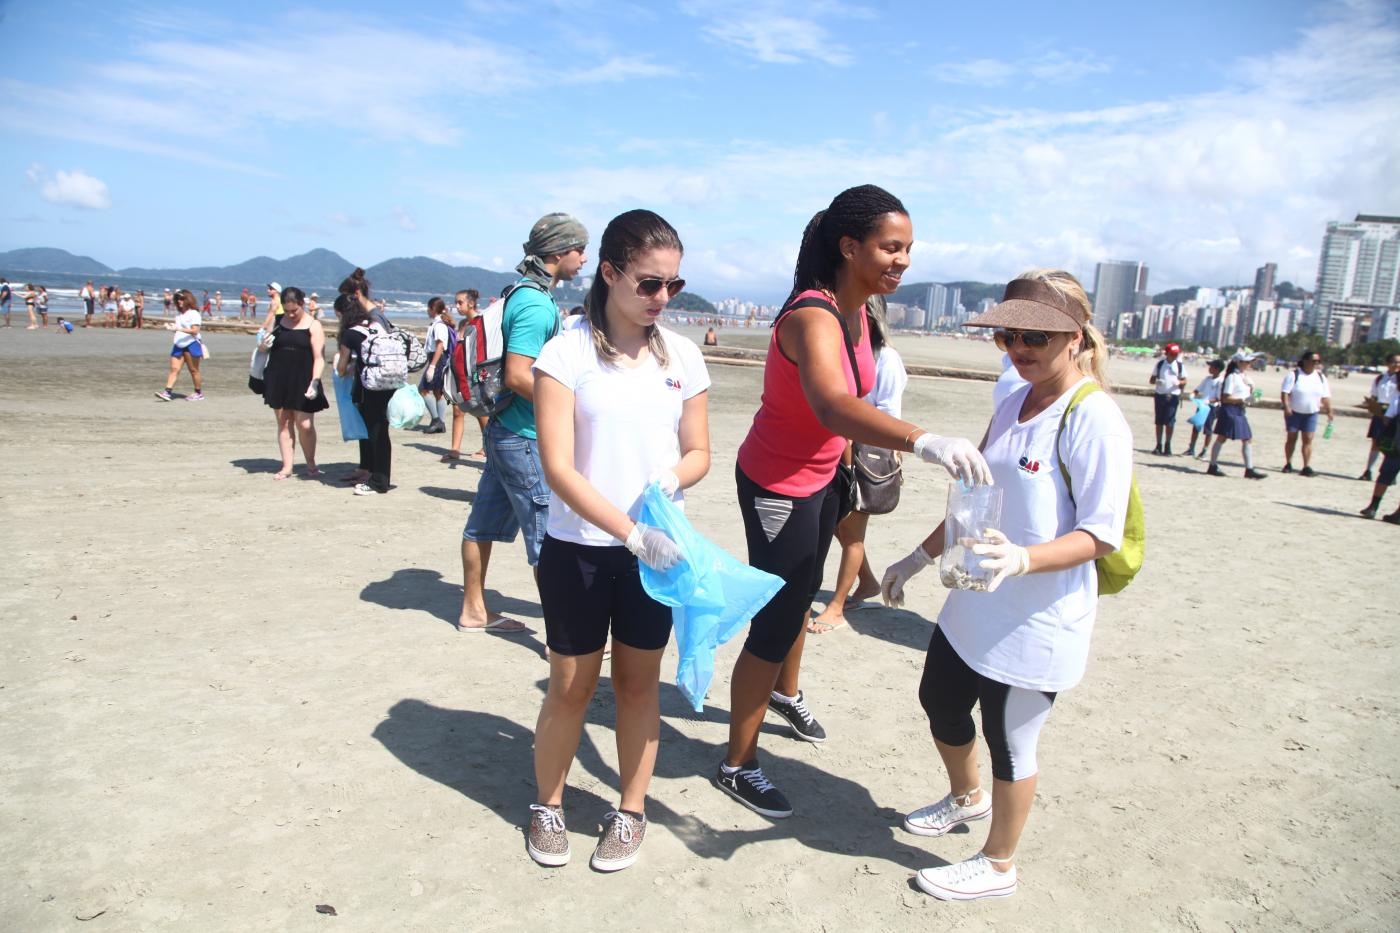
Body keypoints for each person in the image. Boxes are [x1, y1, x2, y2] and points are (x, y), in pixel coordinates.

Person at [716, 185, 990, 819]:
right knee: (778, 617)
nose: (903, 261)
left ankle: (784, 695)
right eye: (890, 247)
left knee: (805, 588)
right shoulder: (812, 315)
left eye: (908, 249)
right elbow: (833, 404)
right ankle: (736, 763)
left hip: (824, 476)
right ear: (850, 247)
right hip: (777, 483)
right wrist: (923, 440)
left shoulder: (861, 314)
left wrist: (845, 470)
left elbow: (845, 413)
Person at [879, 268, 1132, 902]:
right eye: (1008, 335)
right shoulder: (1012, 398)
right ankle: (967, 799)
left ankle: (998, 865)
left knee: (1011, 741)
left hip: (1037, 615)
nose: (1018, 349)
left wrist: (1021, 559)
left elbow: (1103, 534)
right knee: (939, 699)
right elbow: (975, 495)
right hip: (973, 600)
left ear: (1075, 338)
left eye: (1035, 338)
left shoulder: (1095, 418)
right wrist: (915, 556)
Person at [526, 209, 710, 871]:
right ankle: (548, 803)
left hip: (656, 550)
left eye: (673, 285)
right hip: (580, 547)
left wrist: (671, 474)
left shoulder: (682, 355)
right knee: (571, 686)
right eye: (649, 283)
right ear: (609, 272)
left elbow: (699, 452)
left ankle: (630, 809)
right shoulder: (566, 350)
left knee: (638, 685)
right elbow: (559, 468)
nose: (663, 297)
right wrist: (630, 532)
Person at [458, 213, 589, 633]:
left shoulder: (525, 293)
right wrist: (567, 405)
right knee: (546, 536)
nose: (584, 259)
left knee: (482, 521)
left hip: (503, 429)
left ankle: (474, 610)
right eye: (579, 249)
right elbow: (517, 374)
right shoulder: (534, 301)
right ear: (557, 251)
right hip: (523, 434)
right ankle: (561, 635)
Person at [808, 295, 908, 634]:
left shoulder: (886, 358)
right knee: (837, 525)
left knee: (852, 534)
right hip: (836, 450)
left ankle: (836, 606)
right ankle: (866, 581)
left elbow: (890, 413)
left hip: (865, 454)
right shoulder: (840, 351)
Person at [334, 273, 395, 495]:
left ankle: (379, 480)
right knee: (378, 431)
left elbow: (341, 368)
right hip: (386, 382)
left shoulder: (353, 333)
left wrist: (347, 366)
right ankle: (371, 472)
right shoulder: (375, 323)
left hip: (369, 386)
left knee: (375, 432)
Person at [261, 286, 328, 479]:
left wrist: (315, 381)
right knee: (284, 422)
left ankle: (311, 463)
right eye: (287, 310)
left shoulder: (313, 325)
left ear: (302, 304)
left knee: (305, 424)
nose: (290, 314)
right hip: (278, 376)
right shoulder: (279, 322)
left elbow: (319, 358)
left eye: (294, 310)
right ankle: (287, 466)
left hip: (304, 378)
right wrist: (263, 345)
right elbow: (263, 344)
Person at [1205, 349, 1267, 479]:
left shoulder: (1242, 377)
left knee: (1240, 438)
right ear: (1238, 362)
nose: (1249, 364)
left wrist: (1250, 398)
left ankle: (1216, 465)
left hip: (1239, 410)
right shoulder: (1232, 377)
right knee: (1227, 437)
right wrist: (1242, 400)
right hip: (1230, 410)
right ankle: (1215, 465)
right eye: (1246, 362)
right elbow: (1225, 398)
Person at [443, 289, 488, 462]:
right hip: (459, 375)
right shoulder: (465, 324)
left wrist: (480, 379)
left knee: (481, 412)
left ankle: (487, 447)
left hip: (475, 376)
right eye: (456, 302)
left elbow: (481, 354)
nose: (457, 306)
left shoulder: (479, 323)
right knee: (457, 410)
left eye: (460, 302)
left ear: (470, 303)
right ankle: (455, 449)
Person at [1280, 349, 1333, 476]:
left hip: (1312, 413)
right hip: (1294, 412)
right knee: (1291, 438)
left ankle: (1306, 466)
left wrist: (1329, 411)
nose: (1316, 363)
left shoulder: (1320, 377)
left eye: (1318, 361)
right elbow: (1285, 393)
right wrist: (1287, 407)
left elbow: (1325, 396)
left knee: (1308, 439)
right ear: (1305, 361)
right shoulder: (1293, 375)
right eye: (1313, 361)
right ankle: (1288, 463)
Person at [1359, 382, 1400, 522]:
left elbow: (1388, 417)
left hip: (1396, 444)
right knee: (1386, 473)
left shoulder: (1398, 395)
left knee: (1386, 474)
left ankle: (1373, 507)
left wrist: (1382, 413)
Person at [155, 289, 205, 401]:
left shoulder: (194, 313)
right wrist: (173, 328)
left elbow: (195, 330)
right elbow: (180, 330)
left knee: (194, 370)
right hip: (179, 343)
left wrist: (178, 329)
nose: (179, 301)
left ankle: (198, 393)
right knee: (174, 368)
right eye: (177, 299)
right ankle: (167, 392)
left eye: (182, 299)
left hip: (191, 343)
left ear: (188, 299)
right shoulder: (179, 316)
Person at [1360, 354, 1400, 481]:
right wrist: (1370, 405)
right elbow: (1374, 396)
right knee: (1376, 443)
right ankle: (1368, 470)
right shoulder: (1379, 379)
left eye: (1399, 363)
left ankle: (1389, 473)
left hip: (1395, 413)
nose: (1397, 365)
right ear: (1388, 363)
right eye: (1394, 362)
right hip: (1379, 411)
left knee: (1392, 444)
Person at [419, 297, 453, 434]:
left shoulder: (439, 326)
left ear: (432, 308)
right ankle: (441, 423)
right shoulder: (437, 324)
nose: (427, 310)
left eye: (428, 308)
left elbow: (440, 346)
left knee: (423, 389)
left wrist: (432, 366)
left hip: (438, 359)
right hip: (438, 359)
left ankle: (436, 420)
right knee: (438, 391)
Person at [1149, 342, 1186, 455]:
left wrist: (1178, 382)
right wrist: (1157, 381)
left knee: (1170, 422)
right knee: (1159, 421)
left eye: (1176, 354)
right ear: (1167, 353)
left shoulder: (1179, 366)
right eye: (1172, 354)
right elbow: (1151, 380)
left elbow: (1185, 381)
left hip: (1173, 396)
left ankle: (1168, 444)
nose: (1174, 356)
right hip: (1160, 395)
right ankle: (1158, 444)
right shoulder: (1160, 364)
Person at [1186, 359, 1224, 458]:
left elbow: (1219, 397)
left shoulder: (1220, 381)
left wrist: (1209, 401)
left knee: (1208, 429)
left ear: (1217, 369)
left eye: (1211, 366)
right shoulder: (1207, 379)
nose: (1209, 368)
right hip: (1202, 405)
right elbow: (1198, 389)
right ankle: (1191, 448)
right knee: (1196, 426)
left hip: (1211, 407)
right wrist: (1193, 394)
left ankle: (1204, 450)